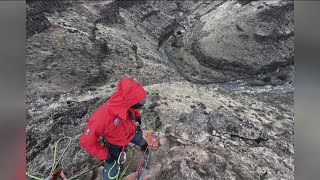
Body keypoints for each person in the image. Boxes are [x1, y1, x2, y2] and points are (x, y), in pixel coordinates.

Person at [79, 77, 148, 180]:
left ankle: (145, 146)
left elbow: (132, 109)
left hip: (131, 132)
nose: (141, 107)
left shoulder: (126, 103)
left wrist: (137, 117)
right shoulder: (101, 118)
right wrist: (106, 155)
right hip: (116, 143)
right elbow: (86, 141)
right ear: (130, 103)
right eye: (139, 105)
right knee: (113, 167)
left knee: (141, 140)